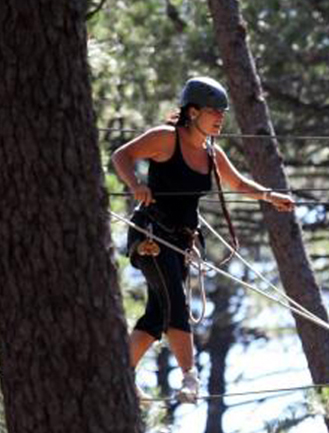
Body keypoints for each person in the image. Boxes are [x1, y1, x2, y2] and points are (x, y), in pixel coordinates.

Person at [111, 76, 294, 403]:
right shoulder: (166, 139)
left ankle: (120, 376)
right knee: (176, 301)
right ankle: (189, 377)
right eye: (215, 111)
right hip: (152, 234)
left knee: (157, 315)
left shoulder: (211, 153)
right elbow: (121, 156)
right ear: (193, 112)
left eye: (223, 112)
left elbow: (237, 184)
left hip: (182, 243)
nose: (221, 118)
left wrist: (270, 196)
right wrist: (135, 183)